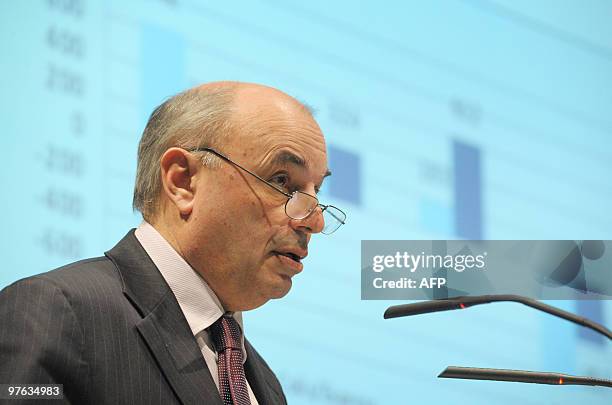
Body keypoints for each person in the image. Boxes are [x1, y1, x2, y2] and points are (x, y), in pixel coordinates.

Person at [0, 82, 346, 404]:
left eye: (318, 192)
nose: (314, 221)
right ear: (182, 181)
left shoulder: (264, 384)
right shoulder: (57, 314)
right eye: (282, 182)